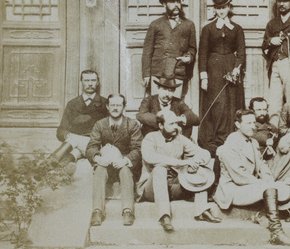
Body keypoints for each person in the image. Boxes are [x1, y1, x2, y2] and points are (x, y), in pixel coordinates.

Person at [215, 109, 290, 246]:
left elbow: (261, 163)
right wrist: (263, 183)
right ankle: (276, 232)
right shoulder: (230, 145)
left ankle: (267, 217)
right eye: (248, 123)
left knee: (284, 189)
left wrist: (267, 177)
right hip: (233, 189)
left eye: (254, 122)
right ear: (237, 124)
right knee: (271, 189)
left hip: (249, 185)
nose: (253, 126)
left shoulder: (252, 142)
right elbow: (239, 176)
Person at [137, 110, 221, 232]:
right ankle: (164, 216)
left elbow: (204, 153)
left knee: (199, 171)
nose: (176, 127)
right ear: (160, 126)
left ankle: (202, 210)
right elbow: (150, 157)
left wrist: (196, 163)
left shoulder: (180, 139)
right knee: (160, 168)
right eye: (171, 124)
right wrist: (182, 162)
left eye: (177, 123)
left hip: (175, 186)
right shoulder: (150, 138)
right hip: (152, 189)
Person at [198, 0, 246, 156]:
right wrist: (204, 77)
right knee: (217, 104)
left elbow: (241, 53)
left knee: (231, 102)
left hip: (232, 69)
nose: (221, 12)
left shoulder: (237, 29)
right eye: (218, 8)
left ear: (229, 7)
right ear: (214, 9)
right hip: (214, 69)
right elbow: (202, 54)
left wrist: (236, 70)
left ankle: (231, 138)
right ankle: (216, 140)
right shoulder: (208, 29)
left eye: (224, 8)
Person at [86, 94, 142, 227]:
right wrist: (98, 158)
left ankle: (127, 210)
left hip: (123, 162)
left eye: (119, 105)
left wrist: (126, 160)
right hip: (106, 161)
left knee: (126, 170)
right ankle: (97, 211)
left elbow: (138, 148)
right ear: (107, 106)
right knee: (99, 169)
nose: (115, 108)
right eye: (112, 105)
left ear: (124, 107)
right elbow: (91, 146)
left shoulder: (132, 125)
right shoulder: (100, 124)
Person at [142, 0, 197, 99]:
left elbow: (192, 48)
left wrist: (189, 58)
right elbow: (147, 51)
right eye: (172, 2)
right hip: (158, 72)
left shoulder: (189, 25)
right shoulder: (155, 24)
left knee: (175, 105)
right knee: (156, 105)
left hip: (178, 71)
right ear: (164, 4)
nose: (176, 5)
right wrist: (146, 74)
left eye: (178, 1)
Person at [51, 70, 108, 174]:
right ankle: (61, 168)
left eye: (93, 80)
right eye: (86, 80)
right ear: (81, 82)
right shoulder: (72, 104)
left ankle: (49, 163)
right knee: (75, 149)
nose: (90, 84)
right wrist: (67, 135)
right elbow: (61, 130)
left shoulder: (105, 104)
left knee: (74, 139)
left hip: (96, 144)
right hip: (76, 146)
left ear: (98, 82)